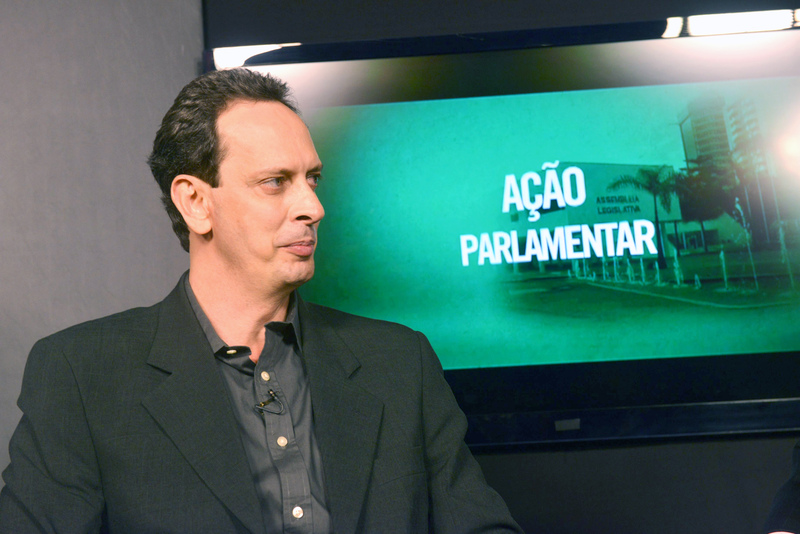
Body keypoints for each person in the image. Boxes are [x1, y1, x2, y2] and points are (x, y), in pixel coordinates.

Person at [0, 68, 522, 533]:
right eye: (276, 182)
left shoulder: (401, 362)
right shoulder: (82, 376)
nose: (313, 207)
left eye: (313, 179)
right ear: (195, 202)